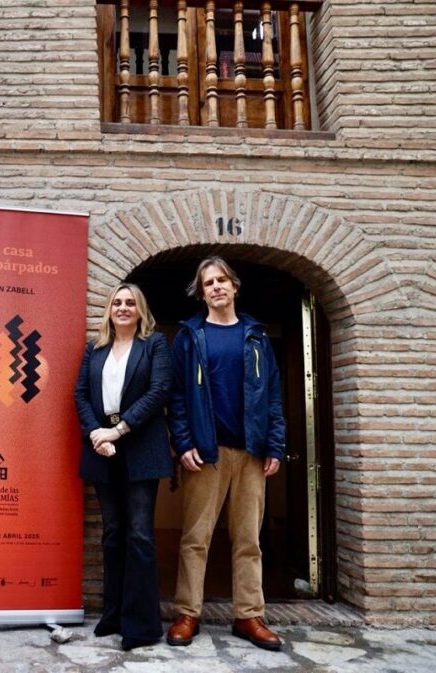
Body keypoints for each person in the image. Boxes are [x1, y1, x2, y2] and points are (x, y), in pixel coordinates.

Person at [166, 256, 286, 651]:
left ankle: (249, 616)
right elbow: (177, 396)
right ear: (201, 293)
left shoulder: (256, 335)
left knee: (248, 538)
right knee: (195, 537)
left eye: (222, 280)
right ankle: (188, 613)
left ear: (234, 286)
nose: (216, 287)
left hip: (251, 452)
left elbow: (272, 395)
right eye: (208, 283)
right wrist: (183, 443)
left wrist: (275, 444)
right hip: (206, 452)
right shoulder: (189, 335)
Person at [74, 283, 173, 652]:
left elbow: (159, 390)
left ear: (140, 309)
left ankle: (142, 624)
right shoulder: (95, 348)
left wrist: (117, 430)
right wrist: (96, 434)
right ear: (109, 310)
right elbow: (80, 394)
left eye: (131, 302)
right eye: (117, 302)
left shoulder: (155, 345)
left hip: (141, 447)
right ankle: (112, 613)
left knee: (140, 535)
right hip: (102, 448)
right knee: (113, 532)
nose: (123, 307)